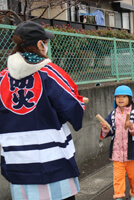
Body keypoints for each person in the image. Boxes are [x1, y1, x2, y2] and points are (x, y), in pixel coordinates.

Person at [0, 21, 85, 200]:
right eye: (45, 42)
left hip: (17, 161)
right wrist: (80, 104)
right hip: (53, 160)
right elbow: (73, 109)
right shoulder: (51, 73)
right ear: (40, 45)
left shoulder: (1, 78)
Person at [100, 85, 134, 200]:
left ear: (130, 98)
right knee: (118, 177)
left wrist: (132, 126)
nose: (120, 99)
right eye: (117, 97)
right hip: (117, 153)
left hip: (133, 153)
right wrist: (105, 128)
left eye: (124, 96)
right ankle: (119, 196)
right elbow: (110, 131)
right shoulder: (112, 114)